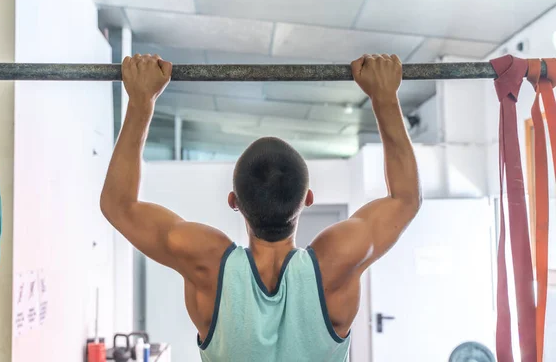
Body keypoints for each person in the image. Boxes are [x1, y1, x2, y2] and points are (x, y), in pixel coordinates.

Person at [100, 53, 421, 362]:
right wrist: (384, 97)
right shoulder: (336, 261)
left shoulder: (207, 262)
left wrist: (141, 101)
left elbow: (119, 205)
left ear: (233, 202)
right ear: (308, 198)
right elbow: (405, 198)